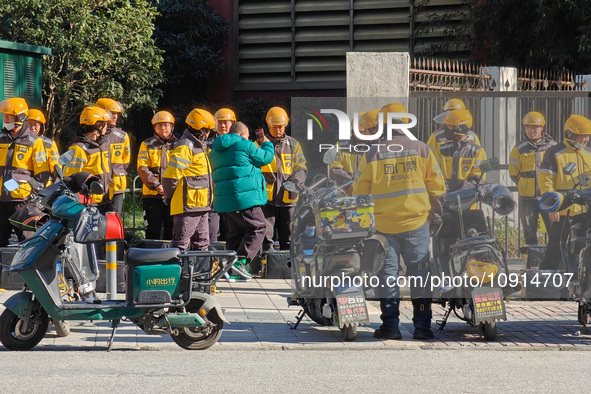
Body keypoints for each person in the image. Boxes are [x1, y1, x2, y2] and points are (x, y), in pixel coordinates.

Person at [353, 102, 446, 340]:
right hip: (416, 223)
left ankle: (391, 327)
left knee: (388, 276)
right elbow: (437, 188)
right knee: (419, 275)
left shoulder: (372, 153)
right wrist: (436, 215)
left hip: (384, 227)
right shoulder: (422, 149)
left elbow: (359, 194)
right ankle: (423, 328)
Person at [209, 121, 274, 280]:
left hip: (223, 200)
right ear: (244, 135)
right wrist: (267, 145)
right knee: (258, 227)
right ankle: (241, 262)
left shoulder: (215, 150)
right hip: (244, 197)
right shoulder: (246, 145)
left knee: (235, 232)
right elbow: (265, 158)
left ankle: (230, 269)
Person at [539, 114, 591, 271]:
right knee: (555, 246)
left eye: (588, 136)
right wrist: (552, 206)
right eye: (583, 136)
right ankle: (544, 282)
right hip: (562, 209)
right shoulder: (554, 153)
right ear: (571, 134)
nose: (586, 139)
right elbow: (545, 180)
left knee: (581, 248)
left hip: (584, 210)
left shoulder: (588, 153)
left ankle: (577, 281)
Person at [162, 108, 214, 252]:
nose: (209, 133)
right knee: (181, 244)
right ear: (200, 130)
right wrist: (170, 196)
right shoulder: (186, 146)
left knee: (202, 244)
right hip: (188, 206)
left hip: (201, 205)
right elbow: (170, 176)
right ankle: (177, 273)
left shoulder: (200, 146)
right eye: (207, 130)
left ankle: (199, 274)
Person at [0, 97, 50, 246]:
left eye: (8, 116)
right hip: (1, 200)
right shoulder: (1, 139)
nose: (5, 119)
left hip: (23, 201)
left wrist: (35, 198)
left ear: (20, 117)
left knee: (27, 243)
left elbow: (42, 174)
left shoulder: (35, 142)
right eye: (4, 115)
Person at [259, 106, 307, 251]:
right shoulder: (260, 144)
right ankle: (267, 267)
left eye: (281, 126)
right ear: (268, 125)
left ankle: (288, 267)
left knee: (289, 237)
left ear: (285, 125)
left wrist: (296, 183)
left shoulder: (293, 144)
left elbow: (301, 167)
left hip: (288, 199)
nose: (278, 130)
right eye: (275, 127)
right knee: (267, 237)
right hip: (266, 199)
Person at [509, 111, 556, 246]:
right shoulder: (519, 149)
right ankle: (532, 261)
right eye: (528, 127)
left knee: (554, 230)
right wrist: (524, 184)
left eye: (535, 127)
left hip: (549, 196)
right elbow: (513, 172)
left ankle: (554, 261)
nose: (531, 131)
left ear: (542, 128)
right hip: (527, 197)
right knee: (529, 231)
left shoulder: (553, 147)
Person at [137, 111, 178, 240]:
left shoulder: (180, 144)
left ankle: (170, 258)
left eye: (166, 125)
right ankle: (150, 258)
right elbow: (142, 168)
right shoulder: (147, 144)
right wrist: (158, 186)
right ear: (154, 127)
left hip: (173, 196)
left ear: (172, 126)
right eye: (159, 125)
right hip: (152, 196)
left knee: (172, 231)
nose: (163, 128)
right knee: (152, 231)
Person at [63, 106, 113, 213]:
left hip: (105, 200)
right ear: (98, 125)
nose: (107, 127)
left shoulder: (103, 145)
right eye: (105, 124)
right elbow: (71, 178)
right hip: (88, 203)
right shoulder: (78, 148)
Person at [434, 109, 487, 192]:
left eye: (450, 126)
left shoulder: (477, 152)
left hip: (466, 199)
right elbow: (434, 173)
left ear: (460, 128)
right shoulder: (441, 150)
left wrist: (461, 192)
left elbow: (477, 178)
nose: (446, 129)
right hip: (445, 199)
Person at [95, 98, 130, 216]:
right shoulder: (92, 136)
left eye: (116, 114)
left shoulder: (122, 136)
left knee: (113, 224)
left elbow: (126, 161)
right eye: (112, 113)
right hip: (97, 188)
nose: (115, 116)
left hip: (116, 187)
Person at [206, 108, 237, 243]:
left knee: (230, 229)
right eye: (220, 122)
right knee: (212, 230)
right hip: (212, 190)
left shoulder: (239, 144)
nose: (223, 125)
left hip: (231, 190)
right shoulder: (206, 144)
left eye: (227, 122)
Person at [26, 109, 60, 183]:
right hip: (25, 184)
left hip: (45, 185)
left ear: (42, 126)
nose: (32, 128)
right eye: (30, 124)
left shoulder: (49, 144)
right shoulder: (19, 142)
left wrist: (57, 183)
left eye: (36, 125)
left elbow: (55, 165)